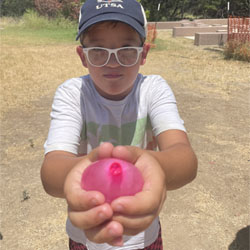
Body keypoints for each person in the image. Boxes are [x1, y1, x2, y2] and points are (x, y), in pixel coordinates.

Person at [40, 0, 198, 249]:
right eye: (98, 50)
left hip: (144, 237)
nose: (112, 62)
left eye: (126, 49)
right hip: (86, 238)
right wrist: (92, 169)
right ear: (83, 56)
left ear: (143, 54)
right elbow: (51, 173)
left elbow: (185, 159)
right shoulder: (73, 93)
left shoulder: (153, 90)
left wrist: (152, 166)